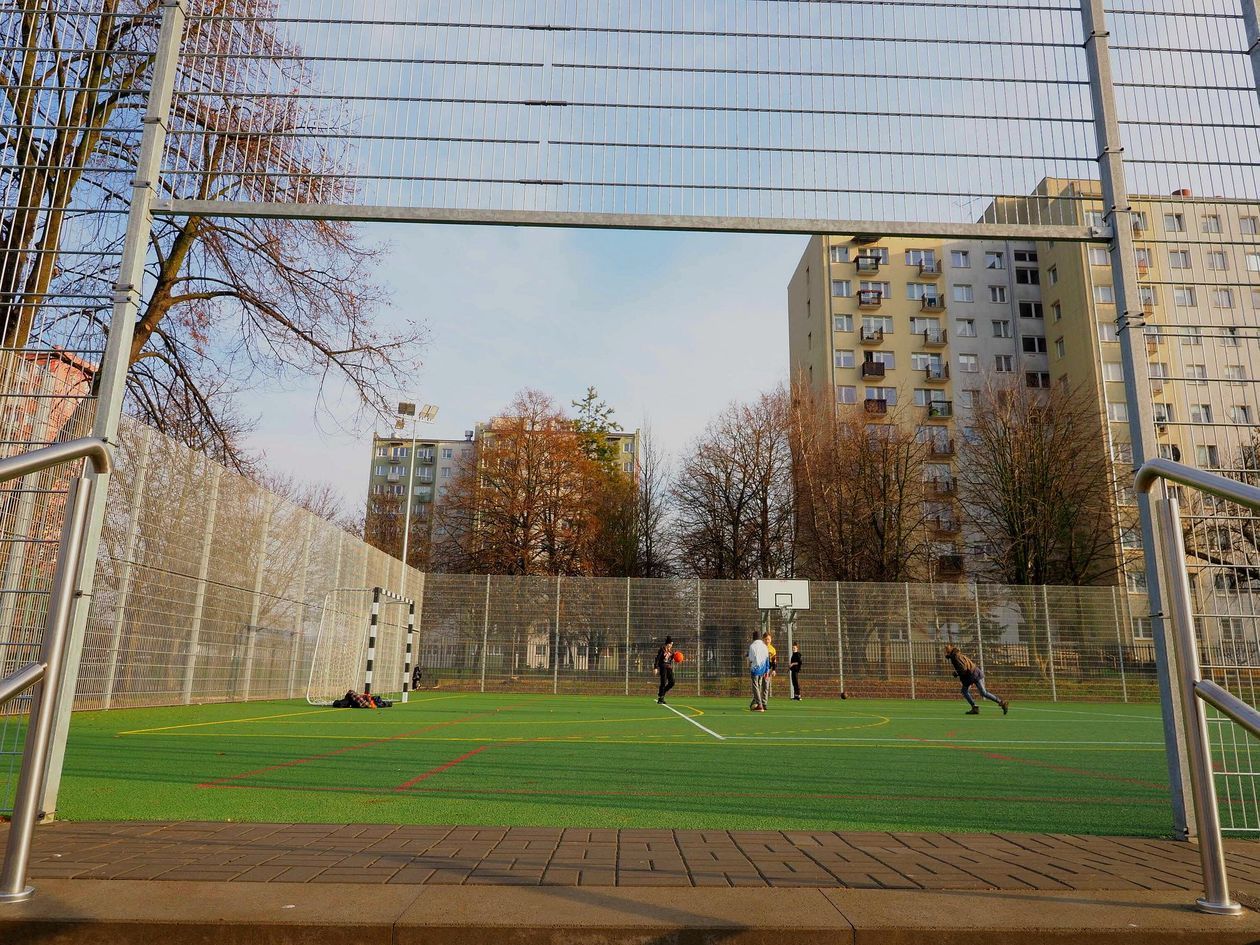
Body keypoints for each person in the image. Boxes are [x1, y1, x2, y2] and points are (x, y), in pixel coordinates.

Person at [944, 642, 1009, 715]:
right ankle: (1000, 703)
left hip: (972, 674)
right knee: (978, 692)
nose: (946, 651)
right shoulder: (955, 655)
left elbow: (964, 668)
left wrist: (957, 673)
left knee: (975, 692)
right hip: (974, 673)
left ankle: (976, 707)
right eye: (945, 650)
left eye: (947, 649)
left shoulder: (955, 657)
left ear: (951, 648)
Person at [747, 629, 770, 711]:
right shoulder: (764, 646)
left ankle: (759, 705)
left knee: (755, 686)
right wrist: (767, 670)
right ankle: (756, 702)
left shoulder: (752, 646)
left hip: (755, 669)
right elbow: (767, 659)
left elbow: (751, 659)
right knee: (759, 686)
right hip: (763, 669)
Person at [653, 636, 676, 704]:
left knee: (672, 682)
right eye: (670, 644)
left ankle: (662, 693)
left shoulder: (670, 651)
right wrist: (655, 668)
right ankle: (661, 698)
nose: (671, 645)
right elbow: (657, 659)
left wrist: (675, 656)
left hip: (668, 667)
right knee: (663, 682)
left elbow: (670, 659)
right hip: (663, 667)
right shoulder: (662, 649)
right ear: (667, 644)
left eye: (672, 644)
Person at [763, 631, 777, 702]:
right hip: (759, 669)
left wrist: (774, 670)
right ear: (763, 639)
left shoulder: (772, 649)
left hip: (767, 670)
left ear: (771, 640)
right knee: (757, 686)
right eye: (766, 639)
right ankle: (756, 701)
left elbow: (774, 660)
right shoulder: (761, 647)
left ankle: (764, 702)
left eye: (768, 639)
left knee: (766, 686)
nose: (767, 641)